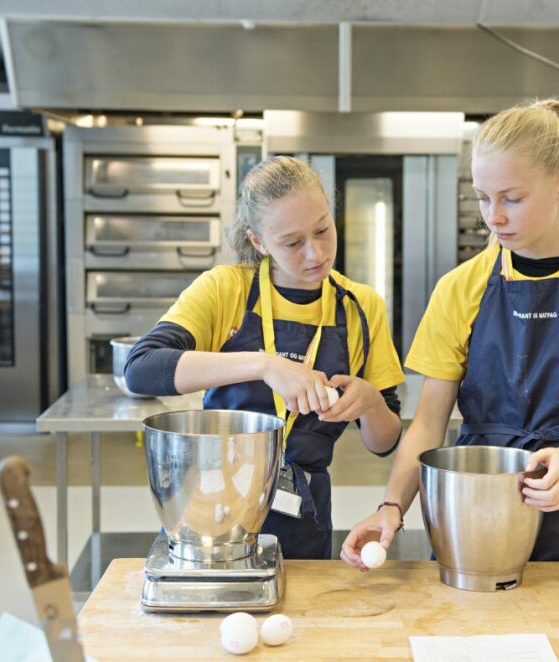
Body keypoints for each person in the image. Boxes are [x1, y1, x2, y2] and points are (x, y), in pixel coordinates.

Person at [341, 100, 559, 569]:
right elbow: (427, 424)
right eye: (483, 198)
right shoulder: (459, 289)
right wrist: (391, 507)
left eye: (512, 198)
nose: (493, 217)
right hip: (476, 511)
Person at [125, 155, 404, 560]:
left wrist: (372, 402)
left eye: (324, 230)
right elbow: (142, 369)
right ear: (258, 241)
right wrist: (265, 364)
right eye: (292, 243)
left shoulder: (360, 307)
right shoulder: (227, 290)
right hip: (214, 505)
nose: (316, 253)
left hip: (302, 510)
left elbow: (385, 441)